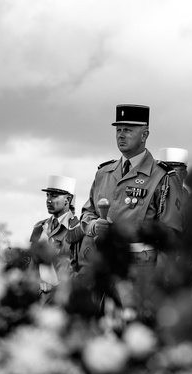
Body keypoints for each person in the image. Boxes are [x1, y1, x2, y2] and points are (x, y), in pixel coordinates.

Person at [79, 104, 184, 311]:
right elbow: (87, 213)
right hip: (103, 271)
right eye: (118, 130)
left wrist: (160, 285)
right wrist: (92, 226)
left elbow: (171, 235)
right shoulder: (104, 173)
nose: (121, 135)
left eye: (128, 130)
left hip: (140, 275)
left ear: (145, 134)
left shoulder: (162, 177)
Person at [30, 176, 84, 303]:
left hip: (64, 298)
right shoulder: (39, 227)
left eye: (54, 196)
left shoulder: (78, 229)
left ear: (68, 200)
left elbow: (83, 269)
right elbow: (32, 264)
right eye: (47, 195)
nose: (48, 200)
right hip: (38, 297)